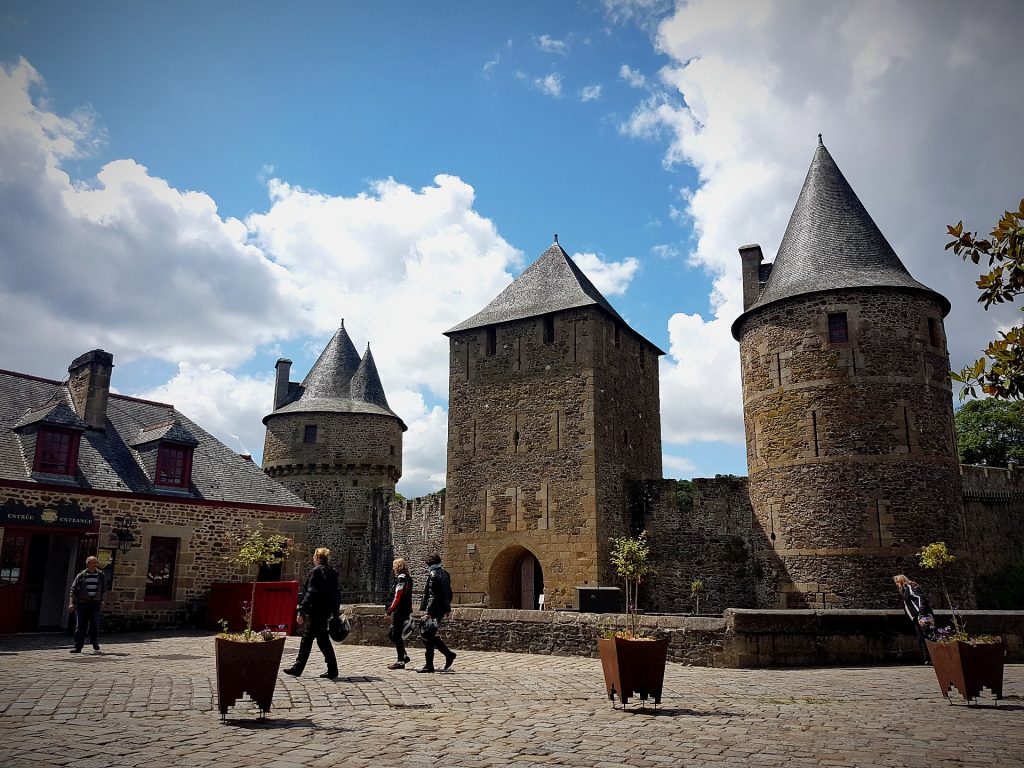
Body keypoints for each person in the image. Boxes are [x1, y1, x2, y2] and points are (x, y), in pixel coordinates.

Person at [284, 547, 341, 679]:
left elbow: (311, 592)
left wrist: (301, 610)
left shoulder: (316, 571)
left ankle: (297, 668)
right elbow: (336, 594)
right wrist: (335, 611)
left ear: (317, 557)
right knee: (323, 640)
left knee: (307, 639)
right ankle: (332, 669)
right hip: (325, 611)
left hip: (315, 611)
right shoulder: (333, 572)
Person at [417, 552, 456, 673]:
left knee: (427, 634)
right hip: (441, 609)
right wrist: (447, 608)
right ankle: (434, 662)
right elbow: (448, 593)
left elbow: (433, 595)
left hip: (434, 609)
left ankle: (446, 656)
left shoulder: (433, 574)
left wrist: (429, 612)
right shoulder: (445, 573)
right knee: (429, 634)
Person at [894, 574, 936, 664]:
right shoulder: (905, 590)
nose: (897, 584)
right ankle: (927, 659)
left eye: (897, 582)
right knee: (922, 638)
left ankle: (934, 658)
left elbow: (920, 597)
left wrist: (921, 611)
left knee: (929, 636)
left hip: (922, 615)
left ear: (902, 581)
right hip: (916, 617)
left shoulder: (911, 586)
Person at [68, 555, 106, 653]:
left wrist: (102, 601)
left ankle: (94, 641)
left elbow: (104, 590)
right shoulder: (81, 575)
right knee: (80, 625)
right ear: (87, 564)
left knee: (95, 624)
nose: (94, 565)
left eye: (95, 563)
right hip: (82, 604)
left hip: (95, 604)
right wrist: (71, 603)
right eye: (92, 563)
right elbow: (73, 590)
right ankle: (78, 646)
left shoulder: (101, 575)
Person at [385, 558, 414, 670]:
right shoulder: (408, 578)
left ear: (398, 567)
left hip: (400, 610)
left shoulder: (401, 579)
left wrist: (389, 611)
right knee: (393, 634)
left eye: (394, 566)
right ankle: (404, 655)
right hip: (405, 609)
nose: (393, 568)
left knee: (396, 634)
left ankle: (400, 661)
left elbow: (398, 596)